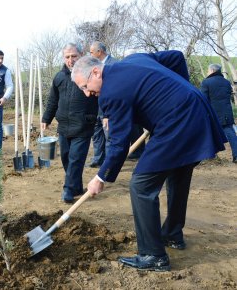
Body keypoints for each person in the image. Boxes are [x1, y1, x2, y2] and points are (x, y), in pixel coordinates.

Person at [71, 50, 226, 271]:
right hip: (197, 109)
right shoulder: (135, 59)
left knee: (141, 185)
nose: (87, 94)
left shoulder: (111, 92)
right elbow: (176, 57)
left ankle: (153, 255)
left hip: (177, 123)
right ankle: (173, 235)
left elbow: (118, 144)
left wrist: (100, 176)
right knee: (178, 174)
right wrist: (181, 88)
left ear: (96, 71)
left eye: (85, 87)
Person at [41, 43, 98, 203]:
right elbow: (53, 100)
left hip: (83, 125)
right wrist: (46, 118)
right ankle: (77, 187)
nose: (71, 60)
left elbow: (103, 96)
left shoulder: (91, 74)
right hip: (64, 126)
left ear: (81, 55)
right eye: (67, 57)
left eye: (74, 56)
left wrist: (106, 115)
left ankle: (68, 190)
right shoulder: (59, 77)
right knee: (66, 158)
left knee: (75, 159)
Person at [88, 41, 118, 167]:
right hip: (96, 108)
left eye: (91, 52)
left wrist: (108, 111)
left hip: (109, 108)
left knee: (109, 136)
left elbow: (116, 88)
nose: (90, 55)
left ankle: (109, 162)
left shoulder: (114, 64)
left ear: (99, 52)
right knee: (97, 135)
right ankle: (97, 159)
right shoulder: (94, 67)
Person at [201, 64, 237, 163]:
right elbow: (228, 96)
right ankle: (236, 156)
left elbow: (203, 99)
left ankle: (211, 157)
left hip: (213, 114)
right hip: (227, 113)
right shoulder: (226, 82)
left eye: (208, 70)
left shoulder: (206, 82)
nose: (207, 72)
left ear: (212, 70)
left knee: (209, 133)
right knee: (231, 134)